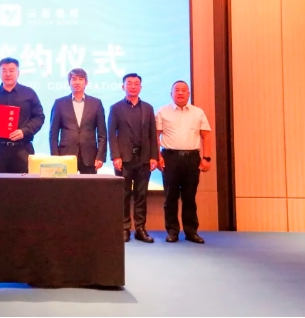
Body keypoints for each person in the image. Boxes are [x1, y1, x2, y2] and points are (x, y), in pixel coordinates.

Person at [156, 80, 212, 244]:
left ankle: (191, 231)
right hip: (170, 158)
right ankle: (172, 231)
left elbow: (206, 136)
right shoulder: (163, 111)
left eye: (183, 90)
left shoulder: (198, 112)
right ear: (171, 94)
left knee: (190, 197)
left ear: (189, 93)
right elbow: (155, 135)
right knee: (170, 197)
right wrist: (158, 156)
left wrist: (206, 158)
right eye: (177, 90)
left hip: (191, 159)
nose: (180, 93)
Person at [107, 73, 159, 243]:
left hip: (143, 158)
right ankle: (124, 228)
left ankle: (140, 229)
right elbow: (111, 134)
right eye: (129, 83)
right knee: (123, 195)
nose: (133, 86)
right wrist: (115, 156)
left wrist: (154, 156)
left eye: (136, 84)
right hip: (124, 159)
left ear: (141, 87)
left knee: (141, 195)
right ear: (123, 87)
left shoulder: (148, 108)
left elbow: (152, 133)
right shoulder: (116, 108)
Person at [0, 57, 45, 173]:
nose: (8, 74)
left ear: (18, 73)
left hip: (22, 149)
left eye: (11, 70)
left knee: (23, 184)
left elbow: (39, 117)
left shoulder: (29, 93)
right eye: (4, 70)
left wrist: (24, 131)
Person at [49, 68, 107, 174]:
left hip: (90, 156)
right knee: (66, 185)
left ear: (86, 82)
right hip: (66, 155)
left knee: (89, 184)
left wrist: (100, 156)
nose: (77, 82)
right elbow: (53, 133)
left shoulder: (96, 103)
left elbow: (102, 134)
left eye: (80, 79)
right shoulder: (59, 103)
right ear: (69, 82)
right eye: (74, 79)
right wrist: (55, 157)